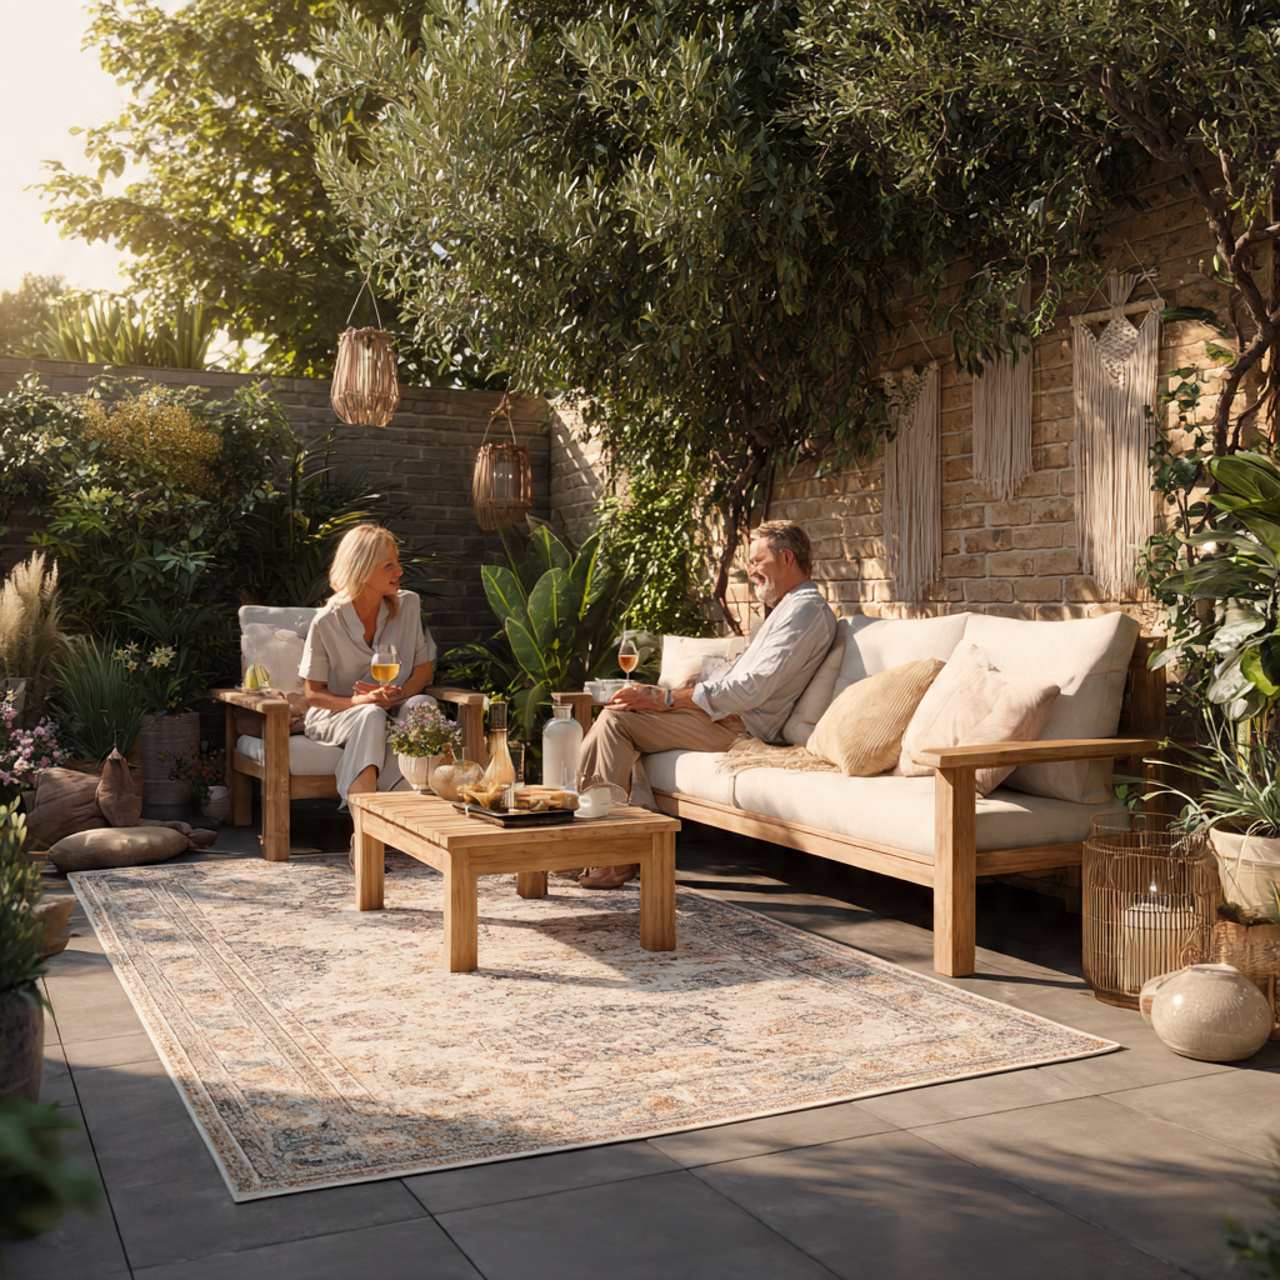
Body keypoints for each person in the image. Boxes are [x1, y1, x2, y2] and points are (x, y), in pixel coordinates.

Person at [578, 519, 836, 888]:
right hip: (723, 715)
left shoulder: (805, 612)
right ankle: (595, 842)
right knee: (619, 712)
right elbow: (742, 674)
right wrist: (682, 689)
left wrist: (667, 698)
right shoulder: (785, 609)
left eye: (757, 561)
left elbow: (753, 687)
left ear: (787, 558)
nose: (750, 571)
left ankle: (612, 853)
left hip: (739, 726)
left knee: (618, 722)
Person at [299, 524, 438, 808]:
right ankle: (364, 831)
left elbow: (423, 670)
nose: (399, 571)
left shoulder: (409, 605)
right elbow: (314, 695)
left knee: (423, 704)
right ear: (360, 569)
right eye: (389, 565)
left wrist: (396, 695)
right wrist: (361, 701)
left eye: (397, 562)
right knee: (371, 714)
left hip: (393, 707)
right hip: (337, 715)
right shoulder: (326, 622)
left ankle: (411, 822)